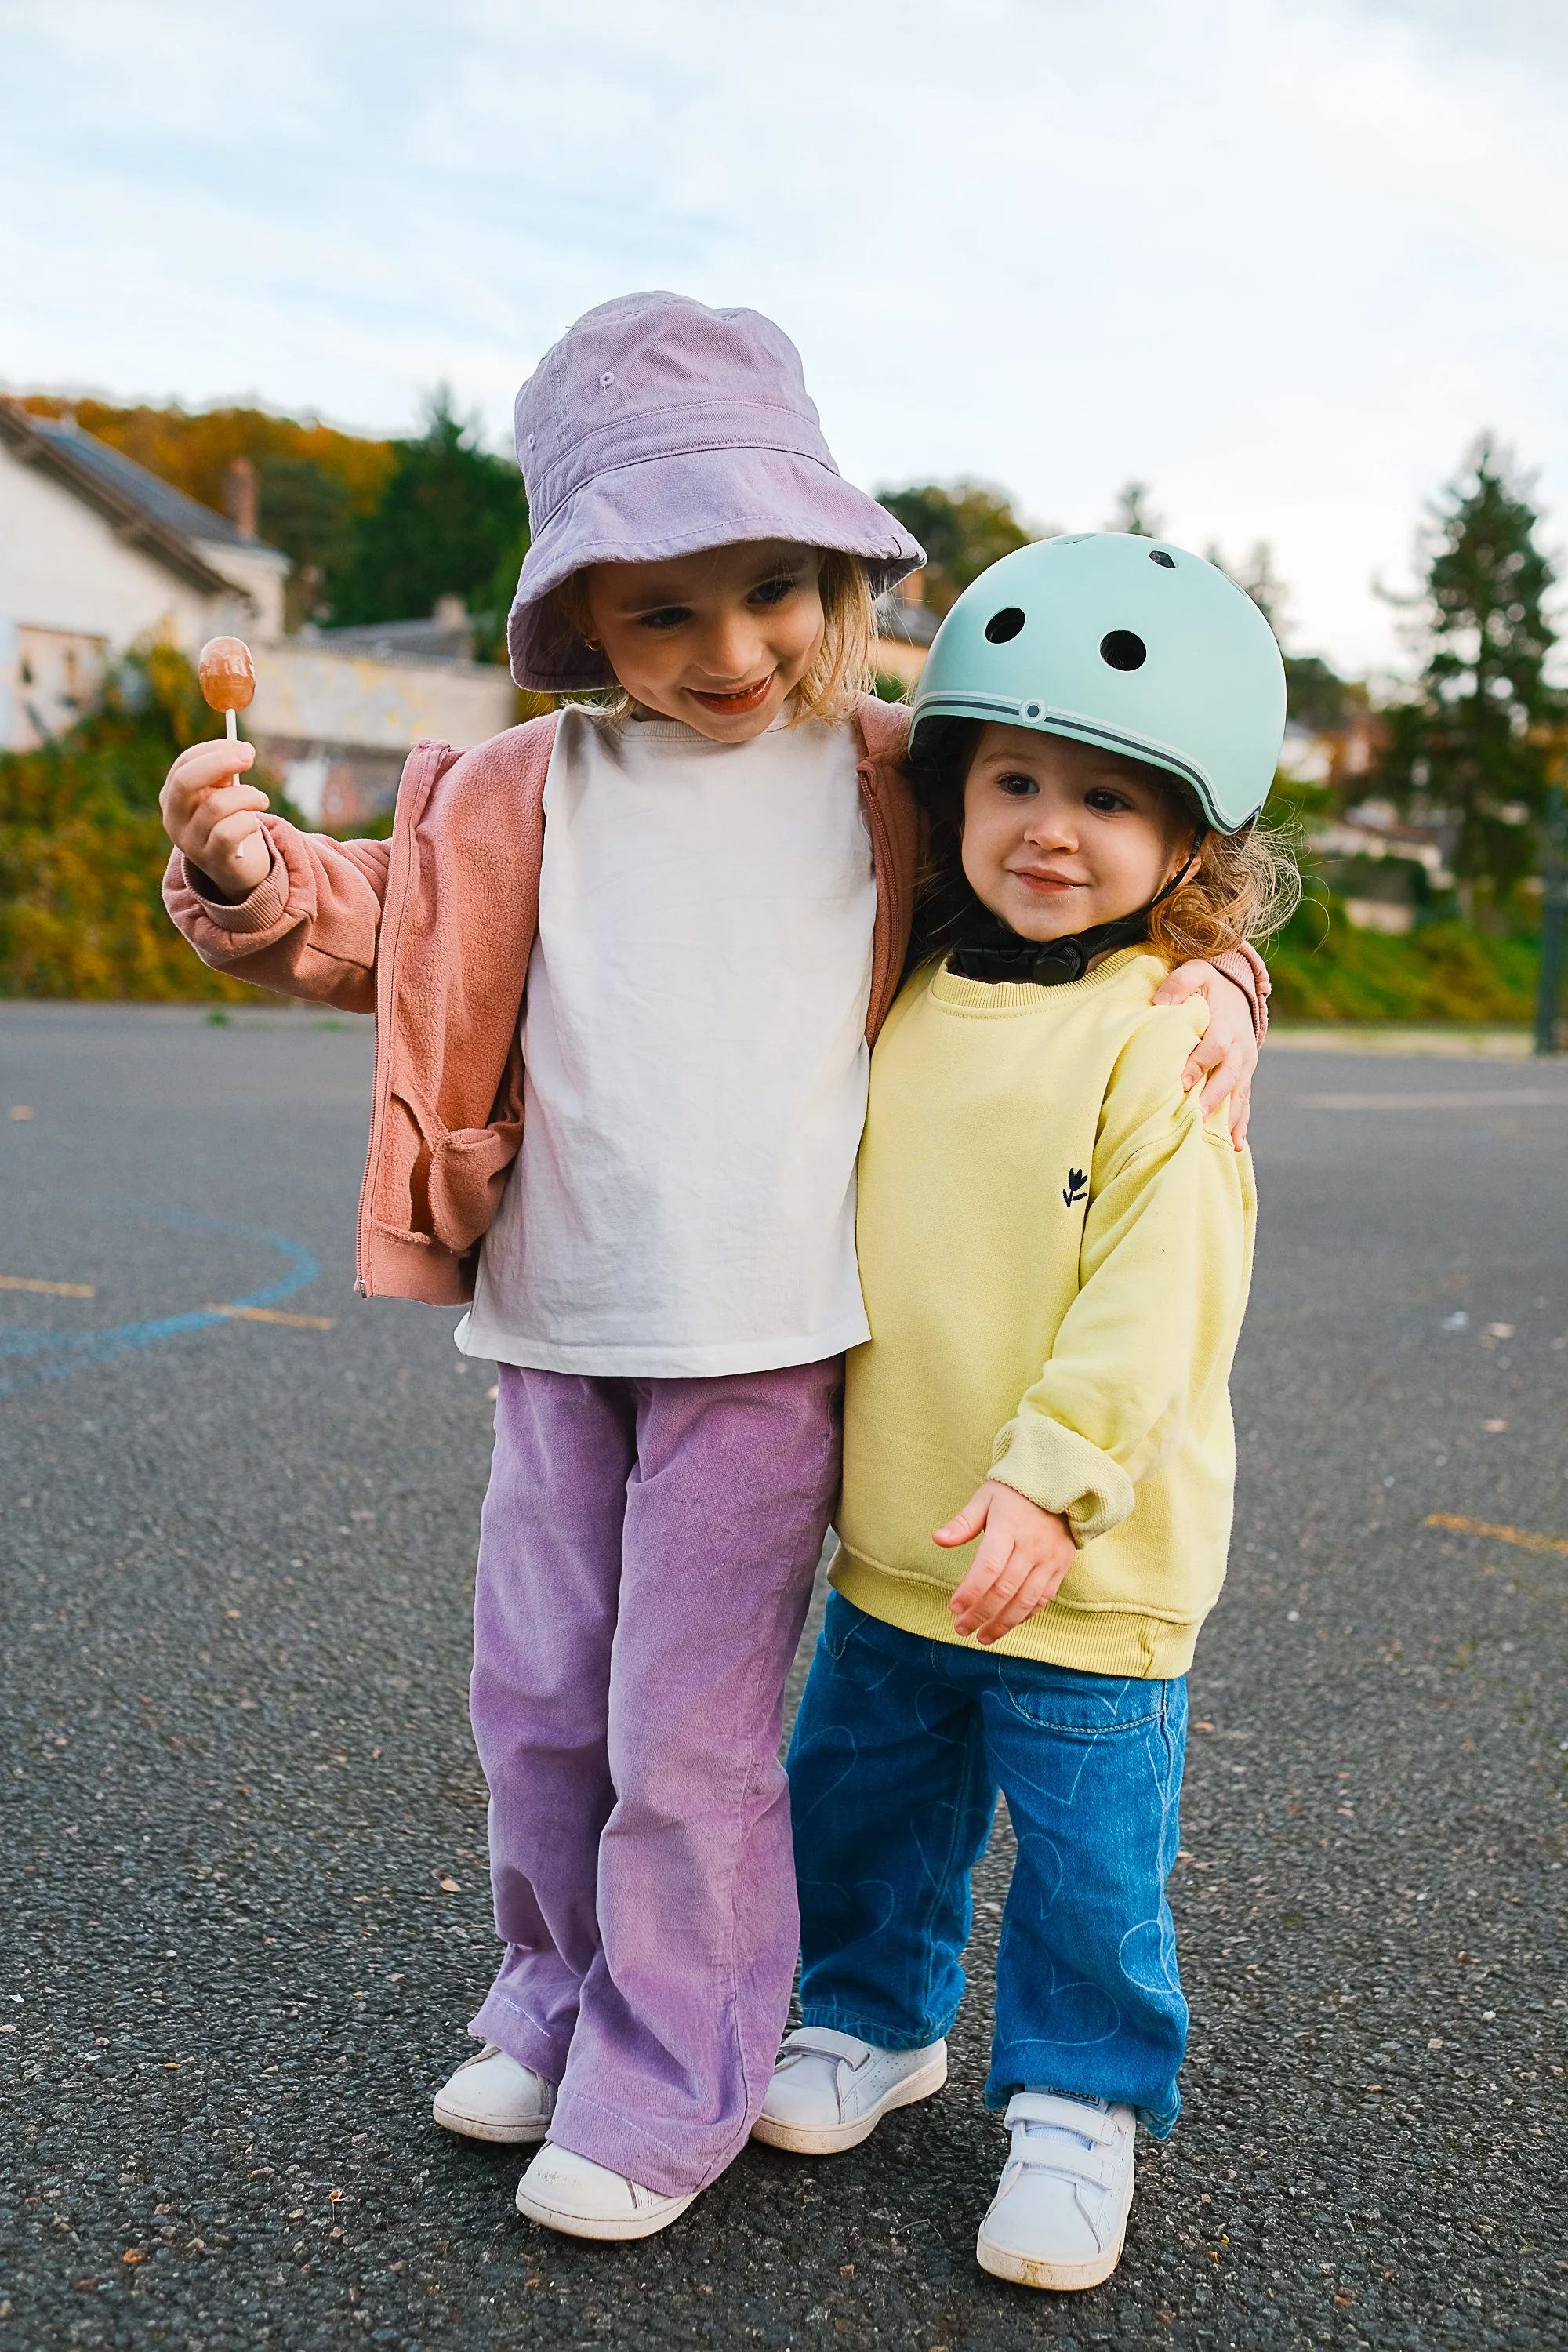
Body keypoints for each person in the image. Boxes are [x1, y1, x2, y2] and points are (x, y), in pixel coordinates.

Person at [157, 297, 1267, 2243]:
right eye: (663, 612)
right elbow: (366, 922)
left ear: (837, 578)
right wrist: (247, 873)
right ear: (583, 623)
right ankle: (555, 1993)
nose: (732, 650)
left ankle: (677, 2077)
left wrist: (1226, 986)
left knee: (688, 1730)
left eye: (771, 589)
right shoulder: (522, 790)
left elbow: (1095, 860)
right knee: (538, 1703)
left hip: (768, 1347)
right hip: (556, 1328)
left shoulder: (894, 777)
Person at [756, 532, 1296, 2291]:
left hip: (1085, 1557)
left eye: (1110, 799)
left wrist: (1055, 1487)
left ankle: (1077, 2103)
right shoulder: (910, 983)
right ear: (953, 787)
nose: (1050, 828)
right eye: (1011, 780)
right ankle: (869, 2019)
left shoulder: (1165, 1037)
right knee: (860, 1806)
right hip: (904, 1536)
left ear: (1190, 847)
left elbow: (1165, 1294)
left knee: (1084, 1866)